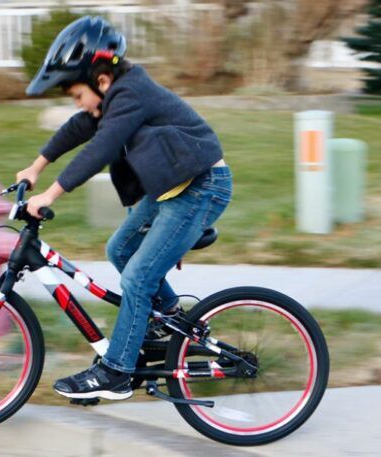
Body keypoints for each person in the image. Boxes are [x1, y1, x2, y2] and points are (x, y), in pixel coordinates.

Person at [16, 16, 232, 401]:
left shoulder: (131, 94)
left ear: (101, 80)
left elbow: (100, 149)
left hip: (200, 187)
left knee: (137, 278)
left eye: (77, 95)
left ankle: (115, 372)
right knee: (120, 249)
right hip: (176, 187)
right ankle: (168, 321)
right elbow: (80, 128)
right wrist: (36, 167)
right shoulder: (116, 95)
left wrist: (49, 195)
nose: (79, 105)